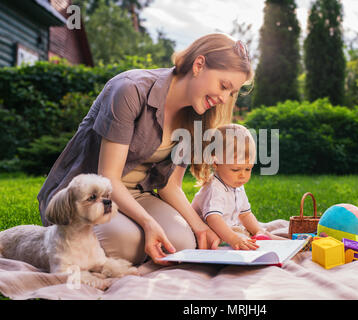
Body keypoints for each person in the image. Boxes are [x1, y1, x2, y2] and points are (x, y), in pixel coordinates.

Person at [37, 33, 253, 266]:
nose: (224, 98)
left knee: (183, 242)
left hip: (138, 194)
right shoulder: (130, 90)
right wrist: (149, 223)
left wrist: (200, 228)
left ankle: (139, 238)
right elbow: (107, 177)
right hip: (93, 196)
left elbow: (171, 186)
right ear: (199, 65)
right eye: (224, 86)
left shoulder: (196, 116)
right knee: (125, 242)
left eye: (231, 93)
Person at [191, 124, 284, 250]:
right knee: (245, 240)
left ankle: (290, 244)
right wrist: (234, 239)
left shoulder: (236, 185)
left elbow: (245, 215)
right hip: (211, 232)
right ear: (216, 163)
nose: (243, 176)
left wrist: (258, 230)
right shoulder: (215, 189)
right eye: (235, 170)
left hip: (229, 229)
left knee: (258, 233)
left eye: (248, 169)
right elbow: (213, 219)